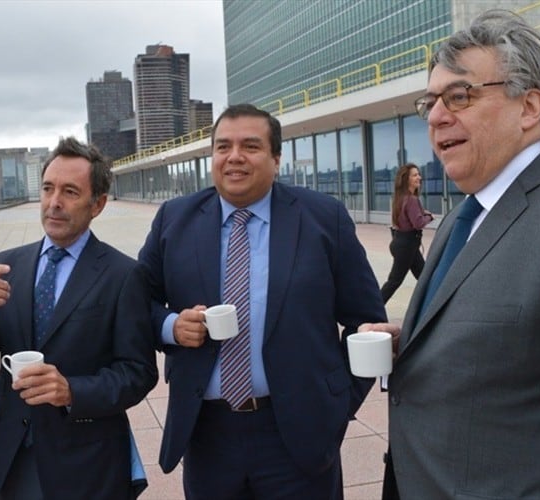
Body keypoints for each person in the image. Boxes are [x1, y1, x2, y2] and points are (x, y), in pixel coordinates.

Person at [370, 10, 540, 499]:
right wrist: (415, 343)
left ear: (530, 107)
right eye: (430, 101)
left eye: (460, 95)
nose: (436, 116)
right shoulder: (465, 214)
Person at [138, 103, 387, 499]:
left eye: (250, 146)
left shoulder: (324, 219)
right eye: (223, 147)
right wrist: (172, 327)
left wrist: (336, 404)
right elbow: (136, 306)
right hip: (207, 434)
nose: (234, 157)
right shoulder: (174, 220)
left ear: (275, 158)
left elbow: (367, 322)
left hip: (299, 432)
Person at [0, 137, 158, 500]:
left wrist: (71, 391)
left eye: (70, 192)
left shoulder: (123, 275)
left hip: (83, 460)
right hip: (9, 454)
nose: (54, 203)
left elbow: (138, 373)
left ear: (98, 204)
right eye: (48, 189)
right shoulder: (9, 263)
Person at [379, 163, 434, 303]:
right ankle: (371, 310)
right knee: (394, 282)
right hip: (406, 247)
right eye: (415, 175)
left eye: (419, 174)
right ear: (406, 180)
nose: (419, 178)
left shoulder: (400, 198)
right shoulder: (411, 199)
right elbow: (418, 223)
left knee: (425, 278)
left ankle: (432, 307)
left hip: (404, 244)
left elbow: (407, 219)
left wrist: (422, 213)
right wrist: (429, 217)